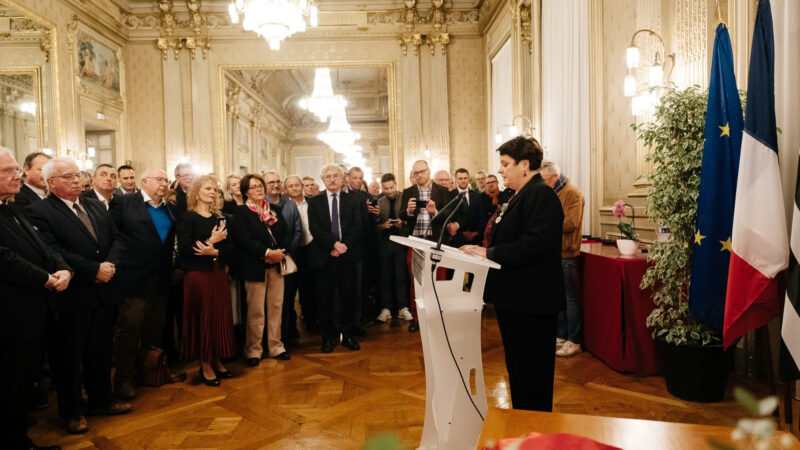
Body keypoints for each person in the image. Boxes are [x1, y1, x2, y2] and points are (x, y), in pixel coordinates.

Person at [26, 156, 131, 434]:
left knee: (101, 351)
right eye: (68, 177)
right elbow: (52, 251)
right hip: (73, 296)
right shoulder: (40, 211)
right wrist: (93, 269)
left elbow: (117, 238)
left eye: (77, 175)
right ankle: (71, 412)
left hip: (104, 290)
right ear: (51, 183)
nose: (76, 180)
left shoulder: (95, 204)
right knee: (68, 358)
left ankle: (101, 400)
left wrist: (109, 265)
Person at [461, 136, 564, 412]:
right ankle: (524, 426)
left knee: (533, 377)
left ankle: (537, 431)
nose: (501, 170)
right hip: (515, 300)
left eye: (506, 164)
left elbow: (535, 244)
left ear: (525, 165)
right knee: (518, 372)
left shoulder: (541, 194)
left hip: (533, 303)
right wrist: (483, 250)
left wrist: (489, 254)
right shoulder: (516, 196)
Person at [0, 147, 70, 450]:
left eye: (16, 169)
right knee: (8, 388)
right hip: (9, 319)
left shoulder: (10, 208)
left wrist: (63, 269)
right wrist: (45, 278)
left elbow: (44, 248)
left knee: (23, 387)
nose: (18, 175)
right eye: (9, 171)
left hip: (32, 316)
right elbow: (4, 258)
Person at [109, 168, 186, 401]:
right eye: (158, 180)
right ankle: (123, 380)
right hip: (133, 279)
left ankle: (151, 372)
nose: (164, 184)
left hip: (161, 278)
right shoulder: (124, 203)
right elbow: (113, 237)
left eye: (165, 180)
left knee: (155, 328)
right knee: (129, 331)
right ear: (144, 182)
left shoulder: (169, 209)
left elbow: (171, 242)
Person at [176, 175, 236, 386]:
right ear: (196, 192)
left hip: (218, 274)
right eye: (208, 188)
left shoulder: (219, 218)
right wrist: (211, 241)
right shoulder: (187, 218)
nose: (213, 192)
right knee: (203, 319)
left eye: (215, 189)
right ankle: (205, 363)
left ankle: (217, 358)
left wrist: (214, 251)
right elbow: (185, 251)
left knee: (218, 317)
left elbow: (230, 249)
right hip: (198, 277)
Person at [231, 174, 290, 366]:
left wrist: (280, 252)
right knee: (256, 310)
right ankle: (254, 349)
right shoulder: (241, 212)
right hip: (255, 265)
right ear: (246, 191)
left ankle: (276, 346)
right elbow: (244, 240)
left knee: (276, 307)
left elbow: (286, 233)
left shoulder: (274, 209)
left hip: (276, 265)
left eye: (260, 186)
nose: (259, 189)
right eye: (254, 187)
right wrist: (266, 252)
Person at [399, 160, 462, 332]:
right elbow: (401, 216)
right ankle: (417, 318)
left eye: (422, 171)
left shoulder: (441, 191)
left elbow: (448, 215)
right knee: (415, 282)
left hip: (435, 243)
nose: (419, 175)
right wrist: (409, 211)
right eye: (416, 172)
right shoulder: (408, 192)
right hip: (415, 242)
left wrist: (435, 211)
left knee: (438, 279)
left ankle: (437, 317)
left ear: (428, 171)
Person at [307, 164, 362, 353]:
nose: (332, 179)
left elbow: (357, 226)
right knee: (325, 299)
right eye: (328, 176)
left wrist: (343, 245)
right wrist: (333, 245)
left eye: (335, 176)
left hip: (346, 255)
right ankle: (327, 338)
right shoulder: (314, 202)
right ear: (322, 179)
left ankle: (348, 336)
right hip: (324, 256)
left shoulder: (352, 200)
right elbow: (315, 229)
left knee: (348, 297)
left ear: (342, 178)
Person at [541, 161, 585, 358]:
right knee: (559, 298)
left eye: (544, 180)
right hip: (554, 252)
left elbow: (571, 223)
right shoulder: (555, 192)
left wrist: (545, 222)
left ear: (554, 177)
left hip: (567, 252)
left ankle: (574, 340)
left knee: (569, 299)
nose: (542, 184)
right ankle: (561, 334)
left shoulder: (573, 194)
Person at [264, 170, 302, 344]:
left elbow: (297, 230)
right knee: (270, 301)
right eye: (271, 182)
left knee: (287, 298)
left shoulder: (290, 205)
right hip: (267, 259)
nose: (275, 185)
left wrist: (285, 253)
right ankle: (273, 336)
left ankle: (287, 333)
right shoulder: (260, 204)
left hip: (287, 257)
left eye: (278, 181)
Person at [375, 173, 412, 322]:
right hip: (385, 242)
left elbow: (411, 220)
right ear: (382, 188)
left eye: (391, 187)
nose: (389, 191)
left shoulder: (404, 198)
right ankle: (386, 308)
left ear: (396, 185)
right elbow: (373, 225)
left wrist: (402, 224)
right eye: (386, 188)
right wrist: (382, 225)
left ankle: (403, 307)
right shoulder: (379, 201)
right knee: (385, 276)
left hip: (402, 241)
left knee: (401, 276)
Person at [283, 175, 317, 334]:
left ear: (302, 186)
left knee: (310, 288)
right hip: (291, 251)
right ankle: (291, 327)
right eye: (291, 186)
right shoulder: (283, 207)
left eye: (297, 185)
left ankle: (311, 322)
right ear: (286, 189)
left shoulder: (313, 203)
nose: (295, 188)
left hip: (311, 249)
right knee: (289, 290)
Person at [450, 168, 486, 247]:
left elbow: (482, 216)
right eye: (460, 178)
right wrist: (461, 232)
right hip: (458, 239)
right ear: (456, 180)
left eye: (465, 178)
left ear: (468, 179)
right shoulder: (450, 196)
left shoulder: (477, 195)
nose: (463, 180)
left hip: (475, 239)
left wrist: (477, 232)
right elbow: (450, 217)